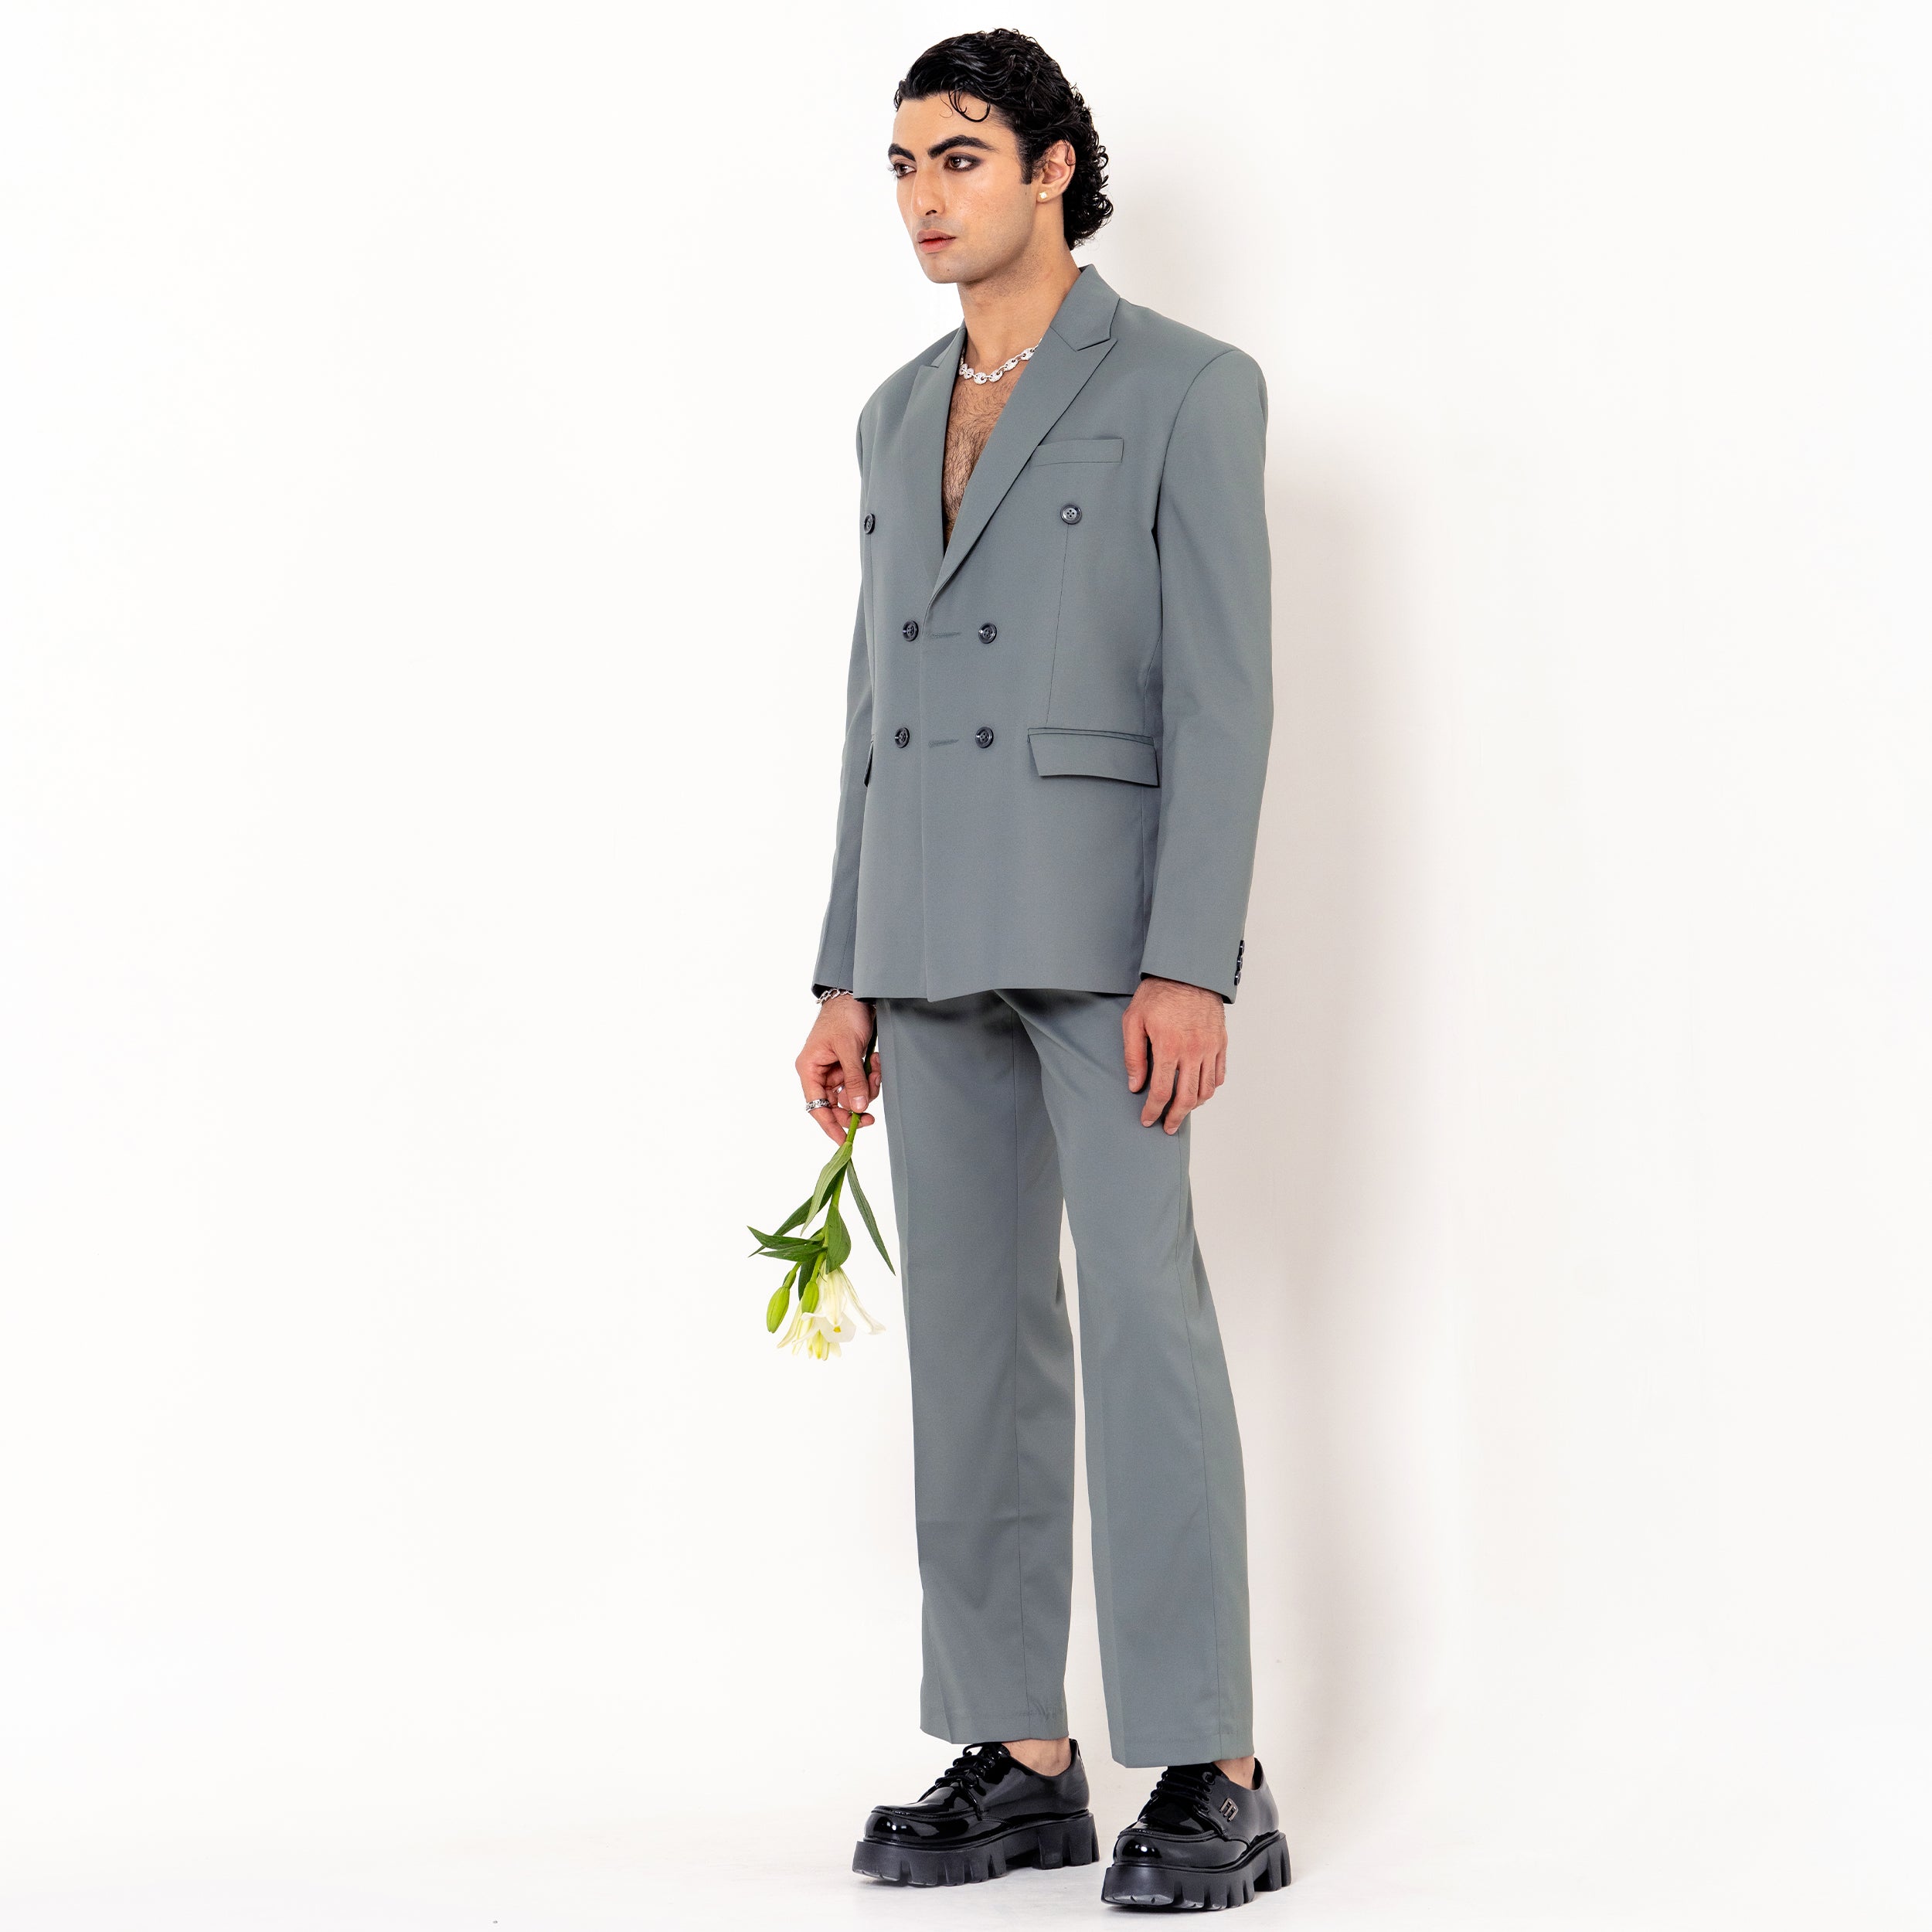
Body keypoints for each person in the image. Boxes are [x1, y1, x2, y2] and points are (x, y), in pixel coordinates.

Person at [795, 29, 1287, 1911]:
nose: (923, 195)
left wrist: (1190, 960)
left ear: (1053, 167)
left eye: (959, 155)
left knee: (1146, 1324)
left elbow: (1222, 698)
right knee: (969, 1343)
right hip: (926, 933)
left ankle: (1214, 1765)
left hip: (1105, 940)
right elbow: (874, 704)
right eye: (901, 162)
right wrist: (842, 968)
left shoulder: (1184, 386)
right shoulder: (888, 412)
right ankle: (1018, 1752)